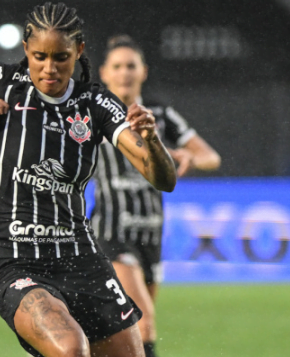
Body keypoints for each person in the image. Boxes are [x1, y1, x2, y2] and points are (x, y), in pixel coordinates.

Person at [0, 3, 178, 356]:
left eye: (61, 57)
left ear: (79, 51)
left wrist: (154, 140)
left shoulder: (96, 102)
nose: (49, 68)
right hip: (13, 259)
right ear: (25, 49)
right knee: (70, 348)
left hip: (80, 256)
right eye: (39, 56)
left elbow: (163, 178)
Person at [92, 34, 222, 357]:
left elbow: (211, 156)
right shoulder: (92, 114)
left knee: (124, 331)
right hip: (110, 232)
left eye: (131, 66)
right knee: (143, 323)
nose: (125, 73)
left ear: (144, 72)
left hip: (150, 232)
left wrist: (190, 157)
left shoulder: (160, 115)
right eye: (117, 66)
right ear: (104, 73)